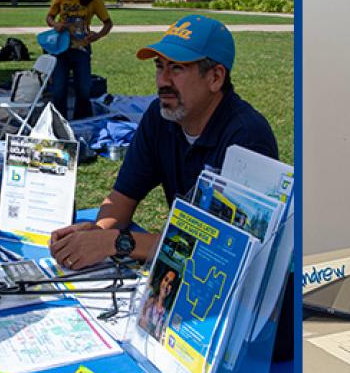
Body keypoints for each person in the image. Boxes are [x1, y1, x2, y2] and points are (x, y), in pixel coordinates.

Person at [49, 14, 277, 269]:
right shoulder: (160, 117)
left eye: (176, 68)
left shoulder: (247, 138)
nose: (162, 81)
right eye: (160, 66)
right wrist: (97, 232)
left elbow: (224, 251)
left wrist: (118, 242)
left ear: (215, 78)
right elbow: (123, 197)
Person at [44, 0, 112, 121]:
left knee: (83, 91)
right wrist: (55, 24)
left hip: (81, 50)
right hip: (61, 49)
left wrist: (97, 35)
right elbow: (49, 17)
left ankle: (81, 124)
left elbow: (108, 23)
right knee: (58, 90)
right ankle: (58, 124)